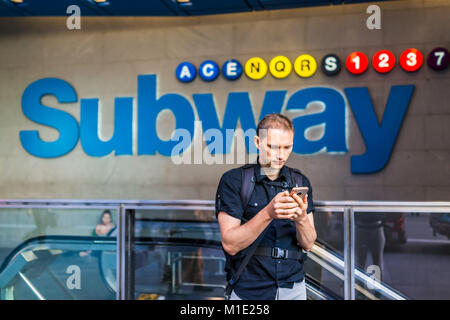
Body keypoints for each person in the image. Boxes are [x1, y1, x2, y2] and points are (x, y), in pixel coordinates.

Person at [215, 113, 317, 300]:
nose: (281, 154)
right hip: (250, 289)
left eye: (287, 147)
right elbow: (230, 244)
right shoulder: (235, 181)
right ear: (257, 142)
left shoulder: (300, 181)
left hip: (293, 287)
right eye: (273, 147)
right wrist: (268, 213)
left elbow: (309, 243)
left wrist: (302, 218)